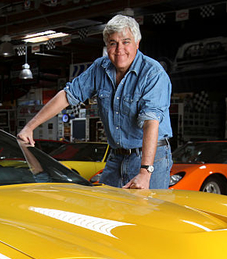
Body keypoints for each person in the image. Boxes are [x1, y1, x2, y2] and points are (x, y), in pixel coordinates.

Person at [17, 14, 172, 189]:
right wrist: (30, 127)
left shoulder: (153, 73)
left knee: (147, 213)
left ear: (137, 43)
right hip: (117, 156)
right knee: (106, 209)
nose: (119, 49)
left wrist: (145, 172)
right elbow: (67, 96)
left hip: (151, 158)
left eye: (126, 42)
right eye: (113, 43)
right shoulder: (100, 68)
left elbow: (151, 122)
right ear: (107, 46)